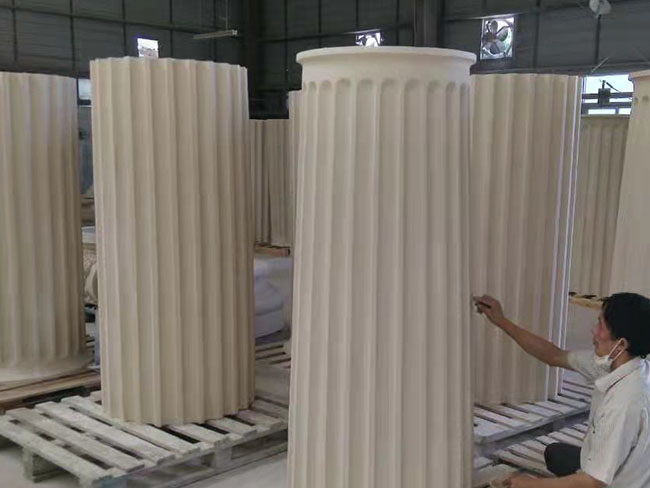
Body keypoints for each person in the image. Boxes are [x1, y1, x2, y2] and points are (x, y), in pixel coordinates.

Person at [474, 292, 650, 488]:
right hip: (620, 469)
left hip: (612, 483)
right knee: (555, 454)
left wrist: (530, 484)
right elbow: (554, 355)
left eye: (601, 325)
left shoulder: (623, 403)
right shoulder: (621, 364)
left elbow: (593, 482)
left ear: (621, 344)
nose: (593, 330)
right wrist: (501, 321)